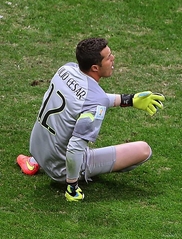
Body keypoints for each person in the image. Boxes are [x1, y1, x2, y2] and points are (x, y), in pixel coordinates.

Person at [16, 37, 165, 202]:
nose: (113, 58)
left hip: (37, 148)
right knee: (144, 150)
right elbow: (74, 147)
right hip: (60, 168)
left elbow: (90, 98)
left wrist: (128, 100)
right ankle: (72, 181)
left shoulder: (66, 69)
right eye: (108, 57)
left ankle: (32, 162)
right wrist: (72, 186)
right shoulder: (95, 101)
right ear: (95, 67)